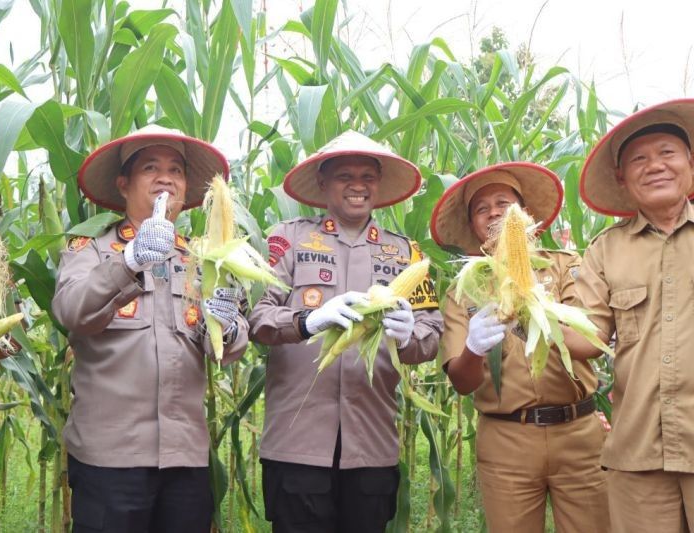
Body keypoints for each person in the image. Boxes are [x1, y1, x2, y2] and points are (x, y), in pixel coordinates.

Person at [52, 125, 249, 532]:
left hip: (185, 459)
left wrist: (228, 328)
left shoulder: (204, 259)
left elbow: (228, 348)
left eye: (176, 170)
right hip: (110, 459)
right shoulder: (90, 250)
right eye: (150, 167)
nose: (166, 178)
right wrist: (129, 262)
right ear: (123, 184)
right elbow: (71, 312)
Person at [248, 130, 443, 533]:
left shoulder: (408, 254)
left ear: (379, 184)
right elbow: (257, 318)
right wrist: (306, 321)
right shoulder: (287, 241)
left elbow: (431, 333)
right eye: (344, 176)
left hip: (370, 445)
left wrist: (410, 335)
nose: (358, 185)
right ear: (322, 183)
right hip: (297, 443)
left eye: (368, 176)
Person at [430, 162, 610, 533]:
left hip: (578, 433)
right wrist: (474, 348)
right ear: (473, 225)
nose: (494, 213)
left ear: (526, 216)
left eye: (504, 203)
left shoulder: (565, 266)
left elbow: (590, 342)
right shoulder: (463, 290)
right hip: (506, 438)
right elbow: (462, 383)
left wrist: (533, 314)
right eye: (481, 209)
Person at [569, 99, 694, 532]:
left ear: (691, 165)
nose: (654, 165)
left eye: (667, 152)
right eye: (639, 159)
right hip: (639, 453)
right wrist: (531, 313)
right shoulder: (604, 251)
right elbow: (586, 341)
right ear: (623, 181)